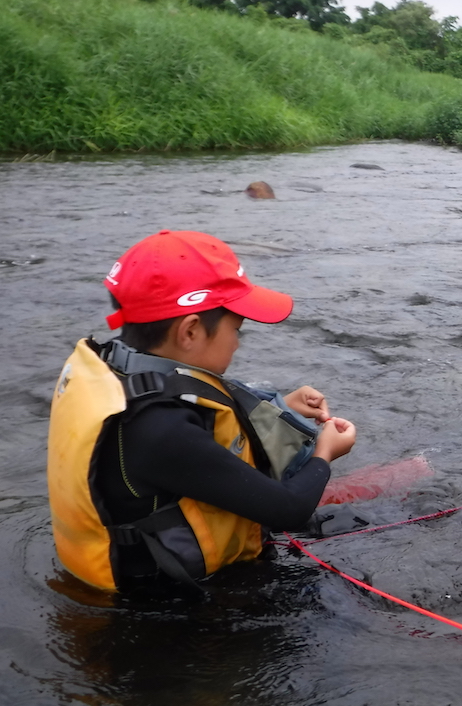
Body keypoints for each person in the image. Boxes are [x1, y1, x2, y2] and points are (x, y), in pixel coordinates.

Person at [47, 230, 357, 593]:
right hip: (164, 610)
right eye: (237, 330)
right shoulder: (157, 430)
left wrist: (280, 406)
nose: (238, 342)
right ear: (190, 331)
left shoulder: (116, 371)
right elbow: (289, 510)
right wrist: (325, 452)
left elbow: (191, 425)